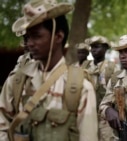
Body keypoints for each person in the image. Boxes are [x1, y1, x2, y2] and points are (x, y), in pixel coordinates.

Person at [0, 0, 98, 141]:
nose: (29, 43)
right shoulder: (16, 81)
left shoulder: (79, 87)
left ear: (58, 36)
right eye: (27, 38)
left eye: (36, 36)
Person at [85, 35, 119, 141]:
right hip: (87, 117)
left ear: (105, 49)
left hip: (105, 120)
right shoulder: (85, 67)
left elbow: (118, 94)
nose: (93, 49)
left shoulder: (112, 68)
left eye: (97, 46)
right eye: (92, 47)